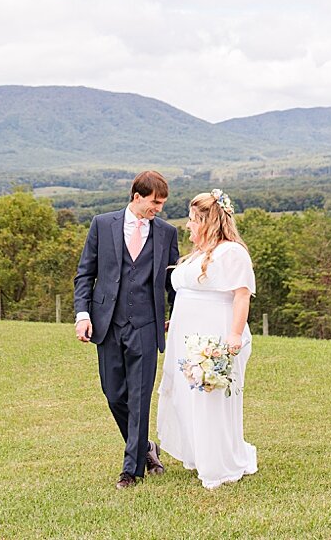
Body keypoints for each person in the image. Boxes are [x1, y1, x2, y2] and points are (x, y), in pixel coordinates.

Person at [73, 169, 181, 489]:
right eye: (154, 202)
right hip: (108, 323)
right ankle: (145, 447)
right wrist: (83, 314)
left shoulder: (166, 232)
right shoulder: (102, 224)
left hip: (147, 325)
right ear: (137, 197)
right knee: (114, 393)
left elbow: (172, 282)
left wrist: (177, 314)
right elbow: (84, 275)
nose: (158, 208)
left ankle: (130, 470)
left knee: (139, 397)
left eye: (162, 203)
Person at [157, 188, 258, 489]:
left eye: (192, 219)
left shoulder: (233, 253)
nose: (187, 225)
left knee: (210, 399)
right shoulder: (198, 255)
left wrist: (234, 336)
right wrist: (173, 321)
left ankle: (219, 464)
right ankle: (200, 455)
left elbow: (241, 295)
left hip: (214, 338)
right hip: (184, 337)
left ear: (207, 221)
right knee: (189, 397)